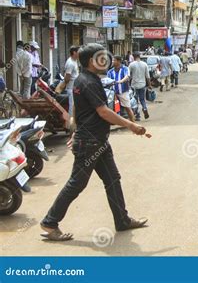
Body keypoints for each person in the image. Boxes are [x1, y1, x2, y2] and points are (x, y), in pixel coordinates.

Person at [40, 44, 148, 241]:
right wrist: (131, 125)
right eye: (102, 58)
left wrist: (76, 130)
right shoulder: (88, 82)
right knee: (77, 183)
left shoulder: (86, 80)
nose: (106, 62)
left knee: (113, 179)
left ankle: (122, 220)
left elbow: (78, 111)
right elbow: (103, 112)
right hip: (91, 143)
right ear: (92, 61)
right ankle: (50, 222)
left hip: (97, 141)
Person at [108, 56, 135, 121]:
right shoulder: (110, 71)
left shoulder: (125, 68)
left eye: (114, 60)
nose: (112, 62)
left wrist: (121, 81)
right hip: (114, 93)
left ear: (119, 61)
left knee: (128, 108)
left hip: (123, 92)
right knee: (112, 108)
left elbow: (127, 76)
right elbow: (107, 80)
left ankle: (133, 123)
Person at [129, 52, 150, 120]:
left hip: (134, 85)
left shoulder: (131, 65)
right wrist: (149, 85)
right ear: (139, 56)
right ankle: (144, 108)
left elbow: (128, 75)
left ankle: (137, 115)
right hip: (142, 84)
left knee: (135, 101)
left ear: (133, 57)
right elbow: (147, 76)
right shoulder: (144, 64)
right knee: (142, 99)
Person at [64, 46, 80, 116]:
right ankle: (70, 123)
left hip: (75, 88)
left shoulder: (75, 61)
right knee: (72, 106)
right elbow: (67, 77)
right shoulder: (70, 63)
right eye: (78, 52)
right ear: (74, 52)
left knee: (75, 106)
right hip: (71, 88)